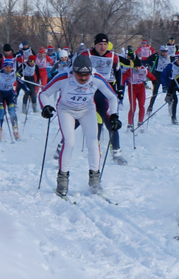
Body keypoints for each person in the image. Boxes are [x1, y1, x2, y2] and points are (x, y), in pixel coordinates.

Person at [39, 53, 121, 196]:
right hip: (66, 110)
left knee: (93, 143)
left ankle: (95, 179)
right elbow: (44, 93)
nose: (83, 78)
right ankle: (62, 180)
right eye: (80, 75)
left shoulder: (96, 78)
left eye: (86, 75)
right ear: (73, 72)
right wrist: (45, 106)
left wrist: (113, 114)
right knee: (69, 143)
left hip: (87, 110)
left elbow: (112, 96)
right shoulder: (64, 77)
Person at [81, 34, 127, 165]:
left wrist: (119, 88)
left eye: (105, 44)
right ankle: (61, 148)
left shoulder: (113, 56)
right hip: (88, 90)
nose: (102, 47)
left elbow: (118, 72)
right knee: (77, 120)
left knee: (110, 120)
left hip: (104, 91)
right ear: (95, 44)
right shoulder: (86, 54)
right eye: (100, 44)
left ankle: (117, 152)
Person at [121, 57, 156, 130]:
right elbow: (123, 78)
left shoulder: (144, 70)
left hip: (141, 89)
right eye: (136, 67)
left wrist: (154, 81)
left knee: (141, 105)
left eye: (138, 67)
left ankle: (140, 122)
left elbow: (151, 76)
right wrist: (121, 85)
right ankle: (130, 124)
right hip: (132, 89)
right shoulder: (130, 71)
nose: (137, 68)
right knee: (133, 106)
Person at [0, 58, 21, 140]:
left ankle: (15, 130)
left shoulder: (15, 73)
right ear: (4, 67)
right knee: (1, 111)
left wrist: (27, 90)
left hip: (10, 94)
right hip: (0, 94)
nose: (8, 69)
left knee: (12, 112)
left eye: (10, 67)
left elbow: (21, 82)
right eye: (6, 67)